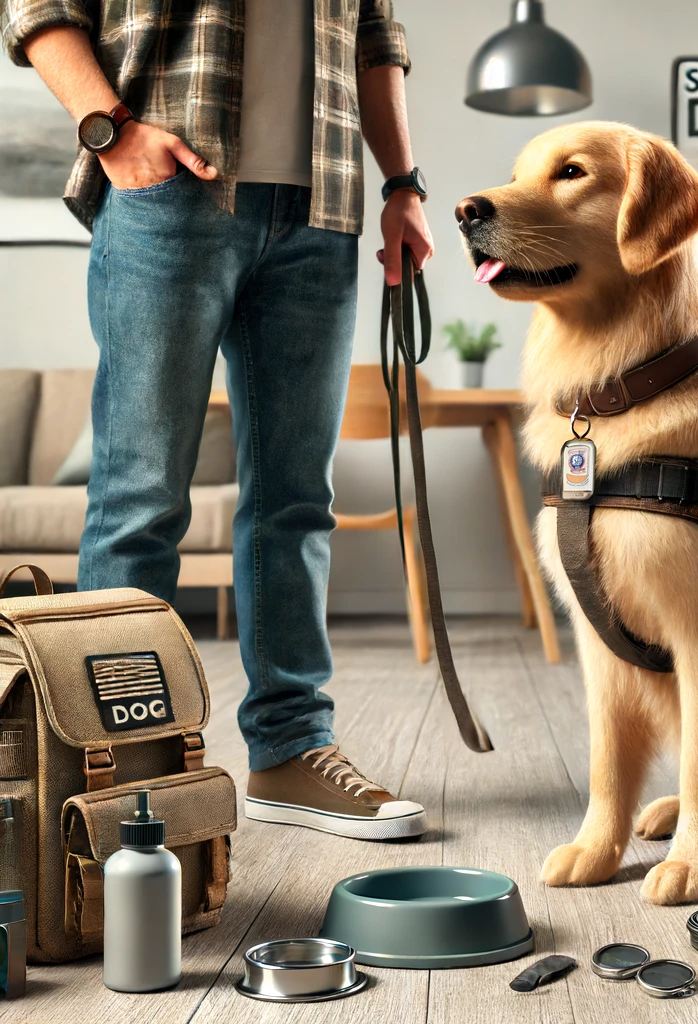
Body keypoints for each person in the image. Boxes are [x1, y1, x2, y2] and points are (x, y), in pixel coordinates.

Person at [3, 0, 433, 840]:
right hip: (170, 192)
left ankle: (288, 750)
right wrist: (109, 128)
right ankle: (120, 764)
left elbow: (375, 37)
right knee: (141, 499)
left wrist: (402, 182)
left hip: (323, 204)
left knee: (297, 500)